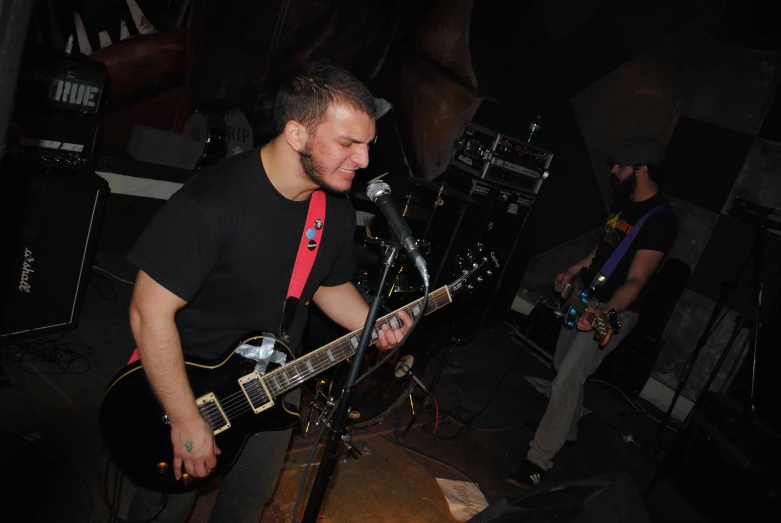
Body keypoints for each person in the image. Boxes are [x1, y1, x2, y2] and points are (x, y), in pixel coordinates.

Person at [124, 62, 413, 522]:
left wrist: (374, 323)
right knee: (166, 506)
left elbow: (329, 285)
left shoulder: (334, 208)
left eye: (367, 145)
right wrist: (183, 417)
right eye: (347, 143)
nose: (363, 161)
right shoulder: (212, 203)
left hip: (277, 380)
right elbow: (148, 314)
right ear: (296, 135)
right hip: (191, 383)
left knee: (246, 504)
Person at [507, 136, 678, 489]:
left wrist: (605, 311)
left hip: (617, 311)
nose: (614, 170)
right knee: (563, 367)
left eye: (621, 165)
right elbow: (603, 249)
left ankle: (537, 460)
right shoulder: (623, 202)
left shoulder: (660, 220)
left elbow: (636, 279)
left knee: (566, 379)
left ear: (642, 170)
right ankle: (566, 429)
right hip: (585, 295)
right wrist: (572, 271)